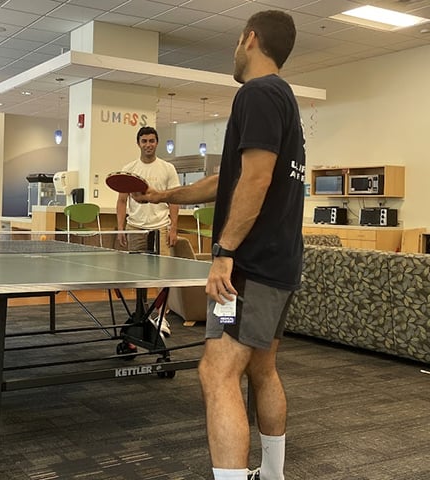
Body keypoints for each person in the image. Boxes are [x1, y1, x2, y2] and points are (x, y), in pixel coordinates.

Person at [132, 10, 304, 480]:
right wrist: (163, 195)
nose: (233, 49)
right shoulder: (281, 97)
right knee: (261, 368)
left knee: (216, 371)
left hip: (246, 269)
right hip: (277, 265)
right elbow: (226, 180)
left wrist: (225, 252)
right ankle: (271, 474)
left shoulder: (257, 93)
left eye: (235, 39)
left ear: (249, 39)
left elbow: (257, 177)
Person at [116, 125, 180, 337]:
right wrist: (121, 229)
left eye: (151, 140)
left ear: (157, 142)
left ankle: (162, 317)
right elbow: (122, 201)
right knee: (139, 277)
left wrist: (173, 227)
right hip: (135, 228)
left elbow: (174, 199)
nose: (148, 145)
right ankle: (141, 314)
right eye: (144, 141)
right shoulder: (129, 168)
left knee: (163, 276)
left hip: (161, 227)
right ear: (138, 143)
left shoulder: (167, 168)